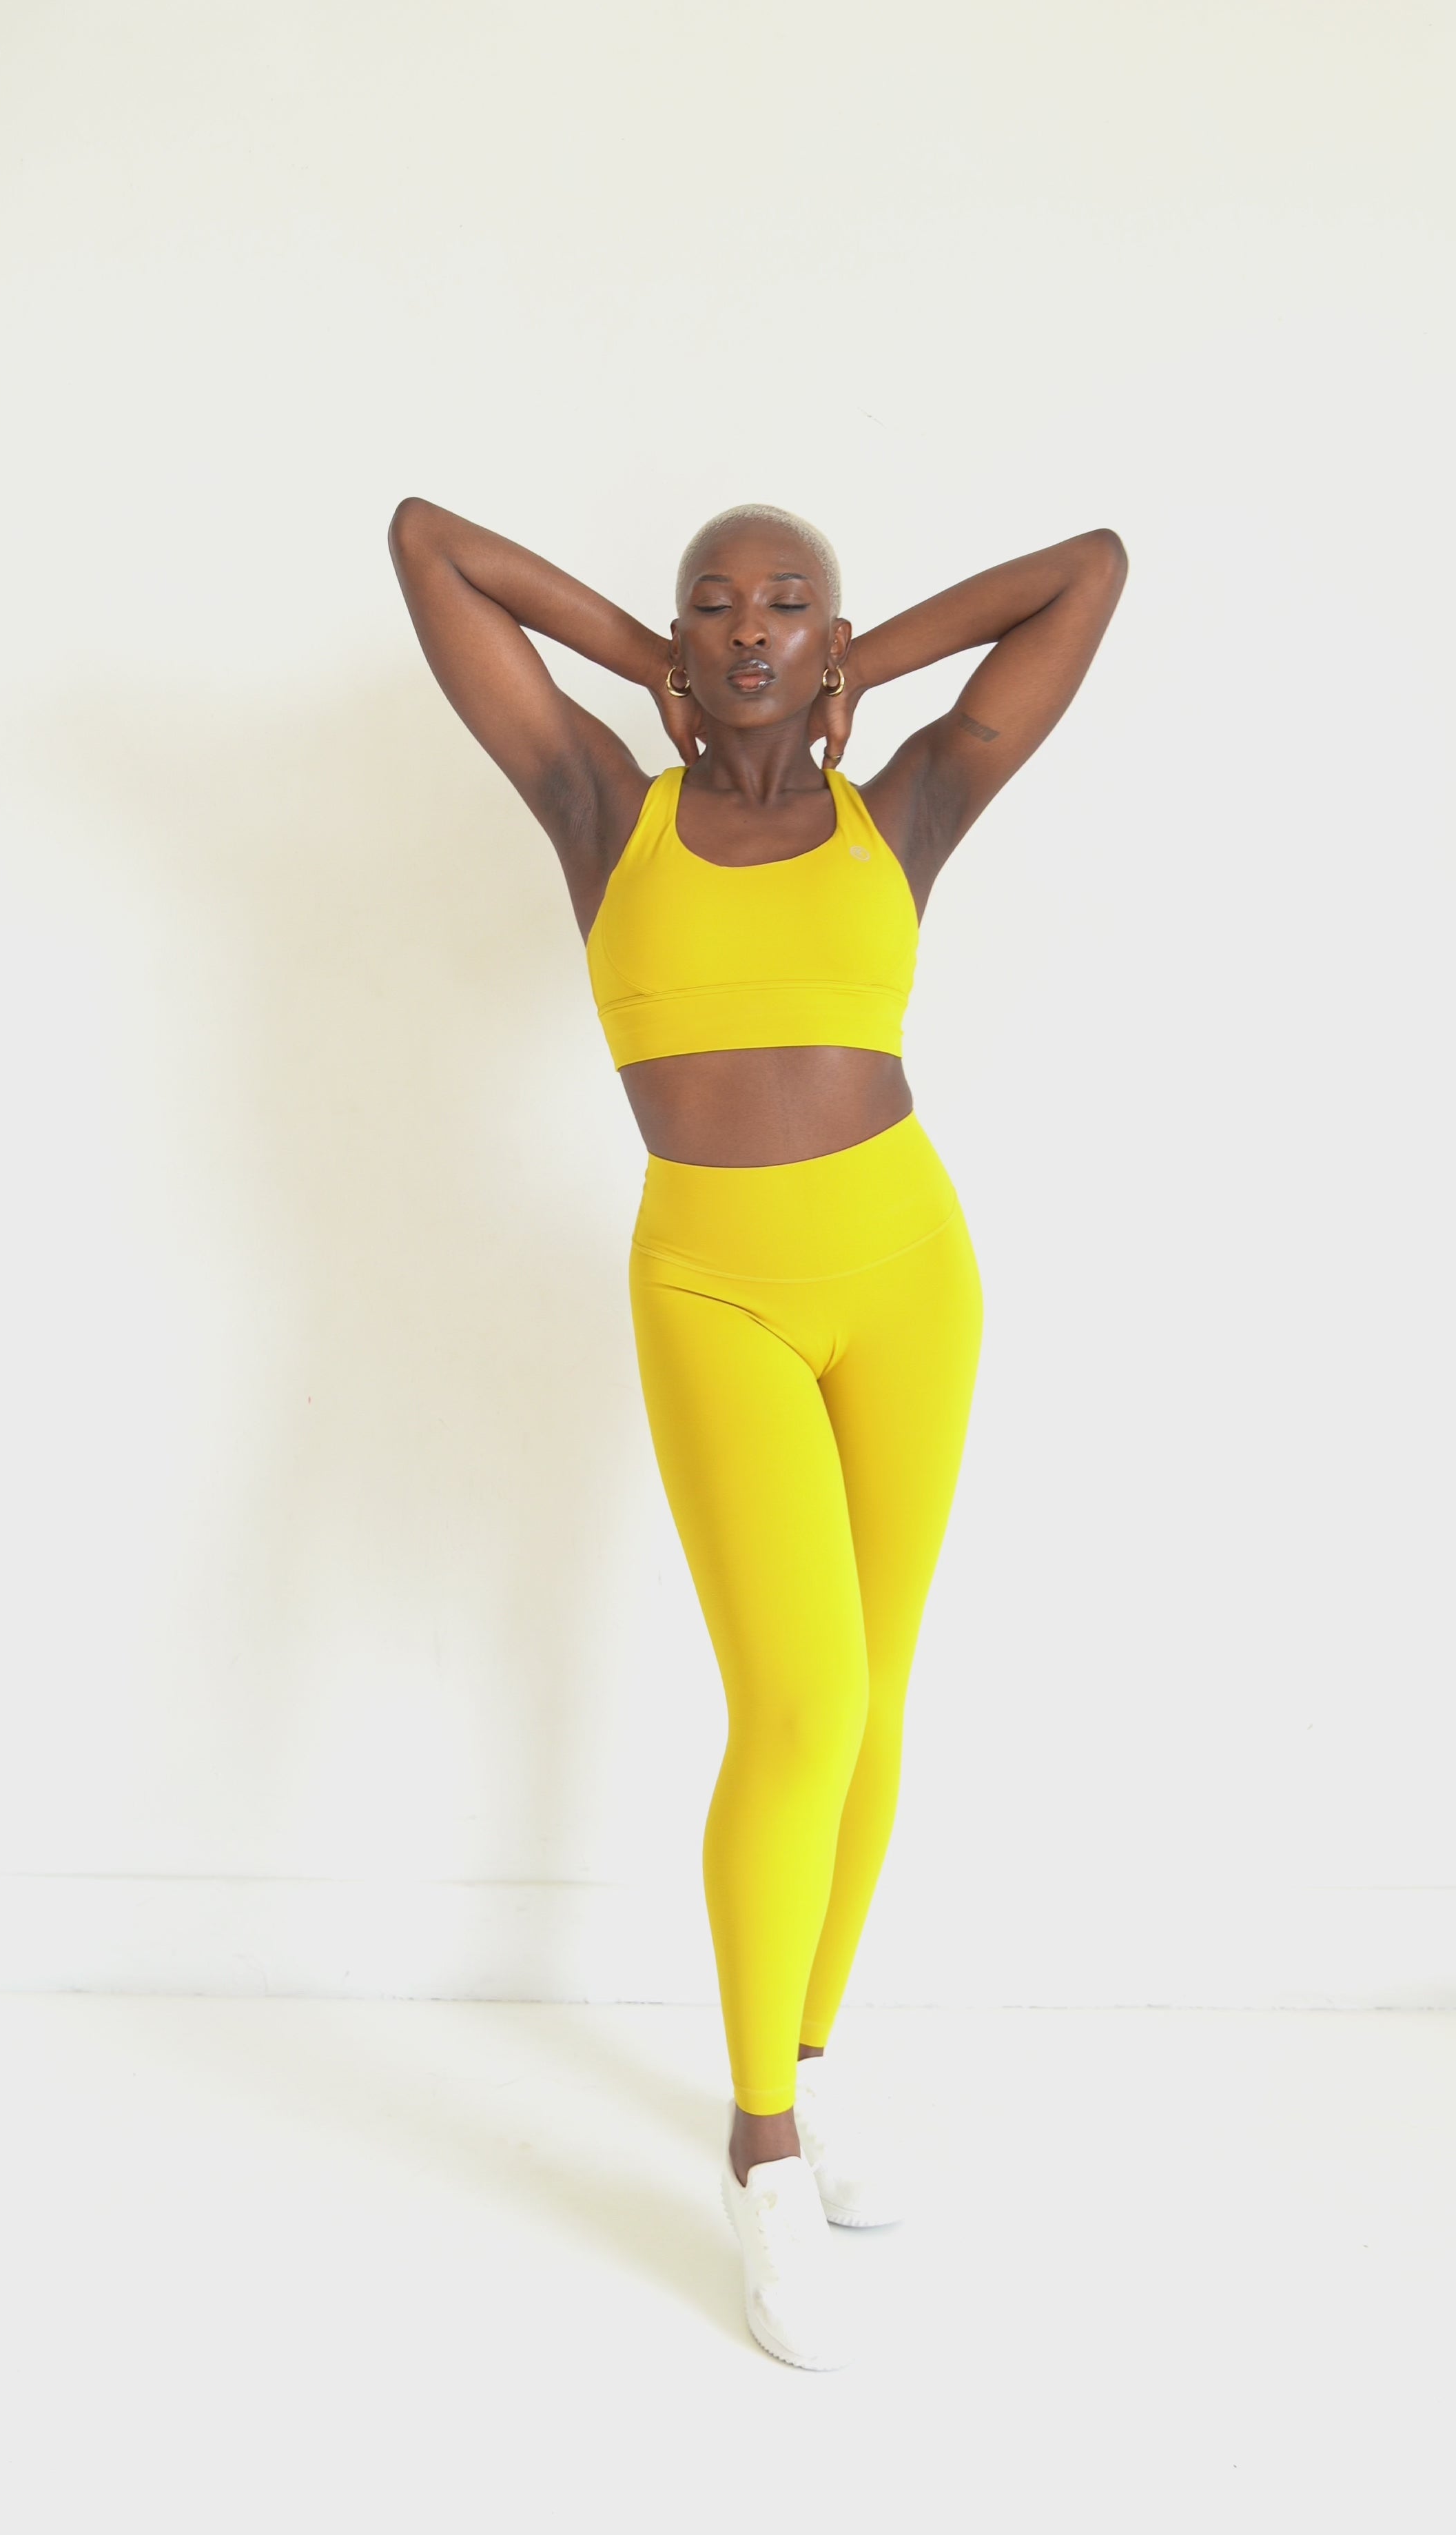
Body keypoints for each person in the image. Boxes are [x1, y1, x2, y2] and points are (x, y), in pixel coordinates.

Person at [388, 493, 1127, 2366]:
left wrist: (872, 671)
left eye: (788, 603)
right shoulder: (600, 808)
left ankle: (808, 2053)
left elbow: (1087, 573)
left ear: (828, 637)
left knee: (874, 1704)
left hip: (912, 1275)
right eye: (712, 603)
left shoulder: (909, 808)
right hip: (711, 1290)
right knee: (796, 1706)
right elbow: (427, 546)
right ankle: (761, 2152)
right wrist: (639, 662)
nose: (746, 626)